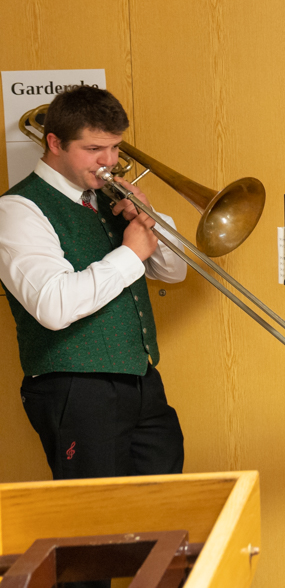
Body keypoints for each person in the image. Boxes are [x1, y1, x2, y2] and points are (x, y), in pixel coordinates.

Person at [0, 86, 187, 485]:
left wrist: (148, 216)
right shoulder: (17, 209)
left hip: (141, 380)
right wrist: (130, 253)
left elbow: (174, 272)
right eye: (94, 149)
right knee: (96, 514)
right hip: (75, 388)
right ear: (55, 143)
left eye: (115, 147)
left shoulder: (106, 198)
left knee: (165, 500)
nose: (110, 161)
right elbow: (53, 306)